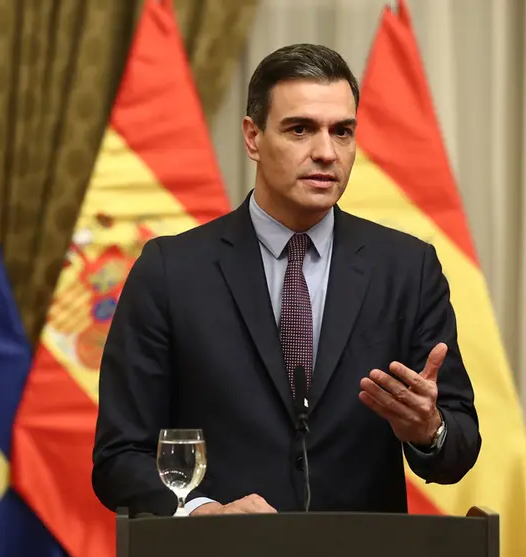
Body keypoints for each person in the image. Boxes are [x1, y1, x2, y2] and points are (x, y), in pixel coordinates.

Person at [92, 43, 481, 517]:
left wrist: (429, 429)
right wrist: (202, 512)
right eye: (301, 130)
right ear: (253, 138)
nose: (325, 152)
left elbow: (458, 447)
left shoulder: (407, 268)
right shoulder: (170, 271)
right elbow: (118, 457)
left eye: (342, 132)